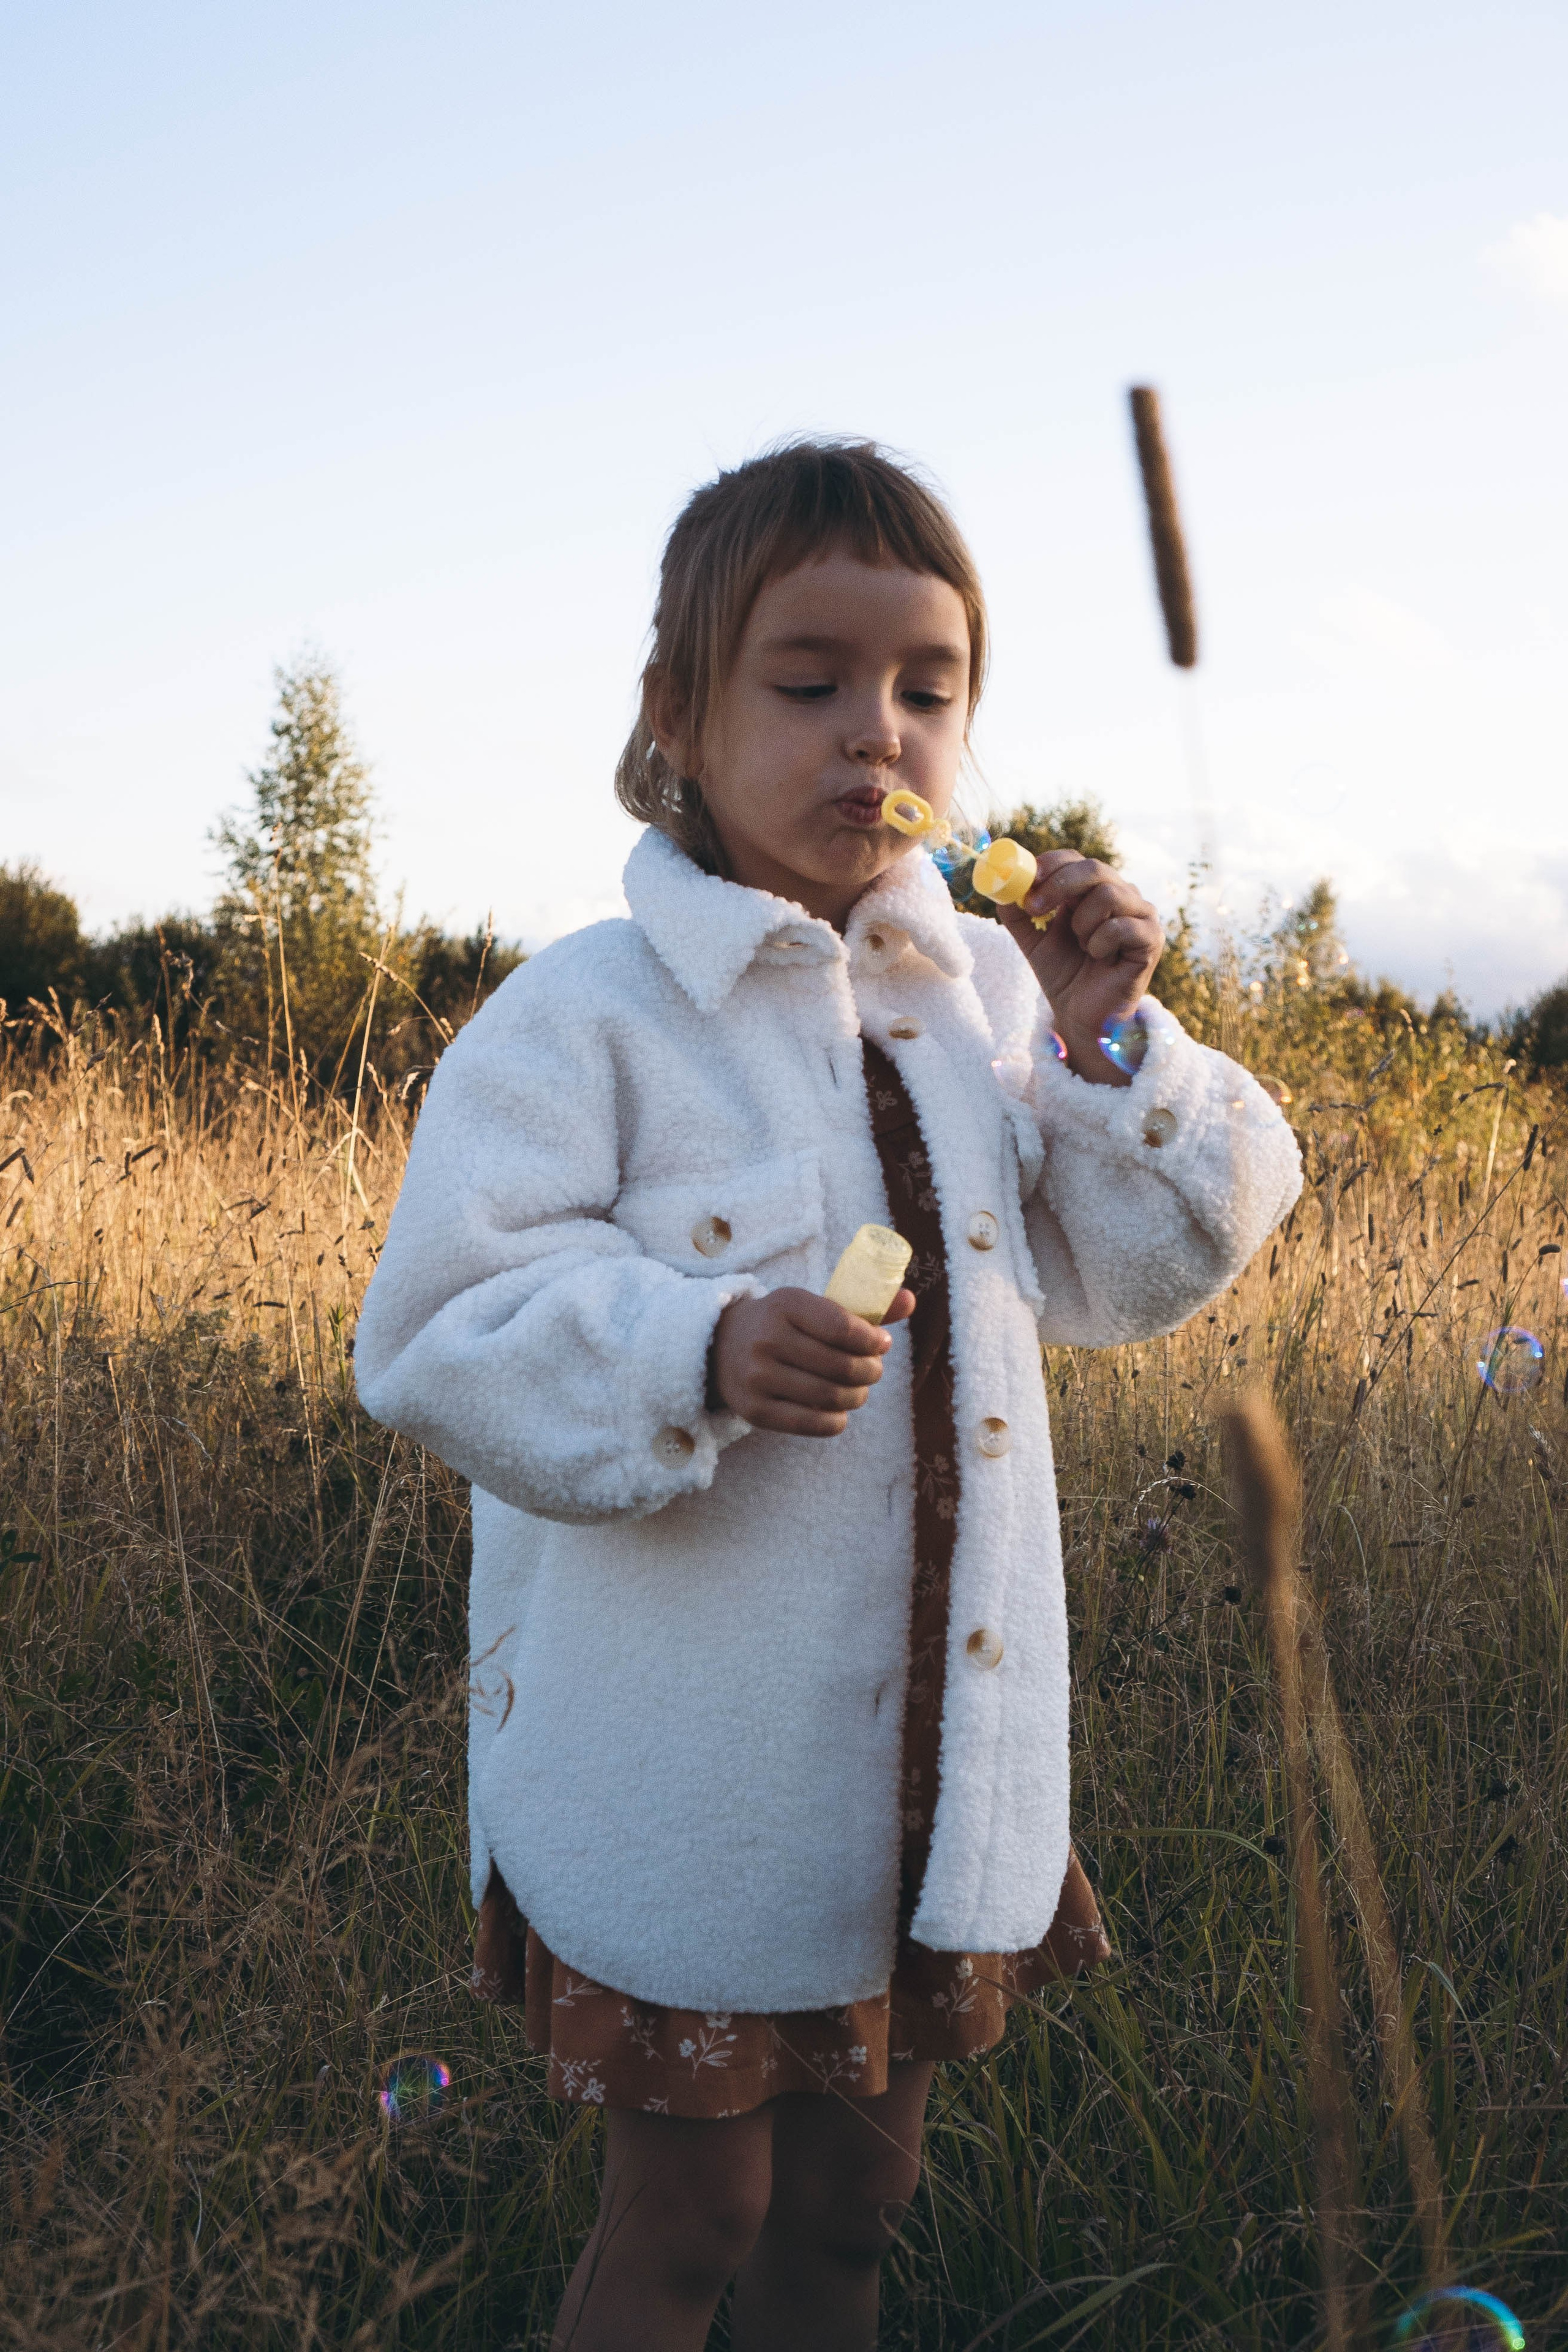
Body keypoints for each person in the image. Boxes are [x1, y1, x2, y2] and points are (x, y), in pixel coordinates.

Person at [355, 439, 1302, 2351]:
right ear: (676, 717)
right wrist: (691, 1348)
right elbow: (441, 1329)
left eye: (928, 689)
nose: (877, 730)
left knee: (858, 2201)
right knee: (692, 2216)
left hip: (923, 1771)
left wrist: (1113, 1038)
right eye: (808, 682)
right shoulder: (594, 1015)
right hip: (694, 1782)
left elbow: (1136, 1269)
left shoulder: (987, 1006)